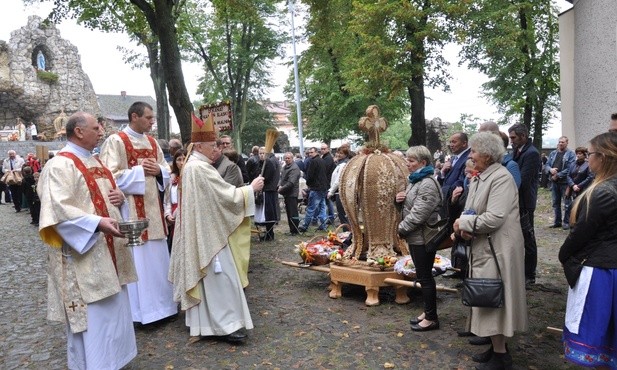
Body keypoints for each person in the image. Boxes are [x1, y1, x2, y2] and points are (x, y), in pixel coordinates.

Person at [37, 111, 138, 369]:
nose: (101, 131)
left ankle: (114, 362)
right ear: (79, 131)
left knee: (114, 312)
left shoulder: (97, 162)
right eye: (96, 127)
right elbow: (57, 209)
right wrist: (97, 223)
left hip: (109, 251)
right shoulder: (59, 165)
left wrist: (120, 200)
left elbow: (108, 198)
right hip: (85, 256)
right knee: (95, 320)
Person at [168, 114, 264, 344]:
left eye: (218, 145)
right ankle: (226, 325)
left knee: (213, 280)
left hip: (204, 230)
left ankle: (206, 323)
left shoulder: (193, 166)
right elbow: (225, 197)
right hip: (208, 236)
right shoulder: (199, 168)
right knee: (222, 279)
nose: (217, 150)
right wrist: (251, 189)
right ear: (199, 145)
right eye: (213, 145)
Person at [453, 132, 528, 368]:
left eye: (474, 151)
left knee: (495, 298)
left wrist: (463, 224)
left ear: (486, 154)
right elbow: (474, 212)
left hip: (498, 249)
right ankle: (496, 347)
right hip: (485, 245)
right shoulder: (482, 176)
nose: (471, 155)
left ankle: (501, 355)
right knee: (488, 298)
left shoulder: (501, 178)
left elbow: (495, 217)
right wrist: (465, 227)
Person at [99, 101, 178, 324]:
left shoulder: (153, 142)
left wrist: (160, 171)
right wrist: (139, 171)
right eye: (148, 117)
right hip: (129, 211)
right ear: (134, 116)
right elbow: (107, 176)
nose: (152, 121)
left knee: (156, 260)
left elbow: (167, 171)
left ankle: (164, 308)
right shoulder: (116, 141)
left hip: (153, 211)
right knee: (138, 262)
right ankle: (139, 313)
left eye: (153, 118)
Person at [559, 132, 617, 368]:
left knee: (597, 332)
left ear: (602, 157)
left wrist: (564, 255)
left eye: (590, 154)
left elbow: (581, 234)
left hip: (601, 271)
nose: (587, 158)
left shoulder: (603, 193)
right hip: (608, 267)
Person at [396, 145, 442, 332]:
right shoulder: (415, 180)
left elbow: (419, 214)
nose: (407, 163)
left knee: (425, 277)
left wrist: (401, 229)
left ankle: (431, 318)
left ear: (423, 162)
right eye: (407, 159)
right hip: (415, 236)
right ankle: (428, 312)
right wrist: (398, 201)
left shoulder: (428, 183)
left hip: (423, 237)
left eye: (411, 160)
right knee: (423, 277)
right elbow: (409, 207)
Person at [508, 123, 541, 287]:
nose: (511, 141)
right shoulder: (518, 151)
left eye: (513, 137)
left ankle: (530, 275)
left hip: (525, 203)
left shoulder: (532, 154)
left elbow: (523, 180)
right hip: (518, 202)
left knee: (528, 238)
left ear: (523, 136)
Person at [545, 136, 576, 229]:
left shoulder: (570, 154)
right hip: (554, 182)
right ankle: (557, 222)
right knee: (555, 203)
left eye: (562, 142)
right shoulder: (553, 153)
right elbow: (546, 165)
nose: (560, 143)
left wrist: (558, 175)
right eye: (559, 142)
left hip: (565, 182)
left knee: (567, 203)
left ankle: (566, 222)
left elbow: (570, 168)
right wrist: (551, 170)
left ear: (567, 143)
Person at [562, 147, 594, 231]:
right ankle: (568, 222)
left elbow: (590, 177)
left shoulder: (588, 165)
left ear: (584, 155)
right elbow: (568, 175)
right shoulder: (573, 164)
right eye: (577, 153)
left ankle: (579, 224)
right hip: (572, 189)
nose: (578, 155)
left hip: (583, 189)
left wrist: (579, 186)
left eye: (580, 154)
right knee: (569, 206)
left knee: (580, 207)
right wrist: (573, 185)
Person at [298, 147, 328, 232]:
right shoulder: (322, 160)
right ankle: (323, 225)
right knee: (322, 207)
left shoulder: (313, 161)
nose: (310, 154)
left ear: (316, 152)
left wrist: (308, 184)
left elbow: (310, 175)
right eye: (309, 152)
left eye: (311, 152)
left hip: (316, 188)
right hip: (323, 187)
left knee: (311, 208)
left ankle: (305, 226)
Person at [255, 147, 281, 241]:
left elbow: (267, 177)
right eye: (260, 153)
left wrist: (261, 179)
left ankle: (270, 233)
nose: (261, 155)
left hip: (268, 190)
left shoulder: (269, 162)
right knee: (267, 214)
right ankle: (269, 233)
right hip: (268, 190)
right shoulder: (266, 162)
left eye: (263, 153)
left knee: (268, 214)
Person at [164, 149, 186, 253]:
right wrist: (168, 214)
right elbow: (167, 200)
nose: (181, 162)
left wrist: (178, 210)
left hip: (184, 217)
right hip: (172, 217)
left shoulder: (189, 177)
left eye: (184, 159)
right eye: (178, 159)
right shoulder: (171, 179)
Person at [328, 146, 351, 227]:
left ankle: (348, 236)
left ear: (346, 155)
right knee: (343, 216)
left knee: (343, 217)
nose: (338, 154)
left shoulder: (343, 165)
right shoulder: (340, 164)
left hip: (340, 192)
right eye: (338, 152)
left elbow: (338, 180)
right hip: (339, 192)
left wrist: (331, 192)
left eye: (341, 153)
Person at [278, 152, 301, 234]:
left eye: (289, 158)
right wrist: (279, 185)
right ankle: (292, 229)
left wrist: (280, 190)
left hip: (292, 193)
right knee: (289, 213)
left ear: (292, 158)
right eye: (286, 158)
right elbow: (282, 178)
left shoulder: (294, 168)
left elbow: (291, 183)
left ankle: (295, 230)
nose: (287, 159)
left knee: (293, 213)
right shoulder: (285, 167)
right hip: (286, 193)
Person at [321, 143, 336, 224]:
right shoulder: (325, 157)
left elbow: (325, 170)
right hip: (327, 182)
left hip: (327, 182)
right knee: (327, 200)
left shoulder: (328, 158)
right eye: (321, 149)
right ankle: (330, 217)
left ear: (328, 149)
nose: (322, 150)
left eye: (324, 149)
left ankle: (331, 217)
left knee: (328, 200)